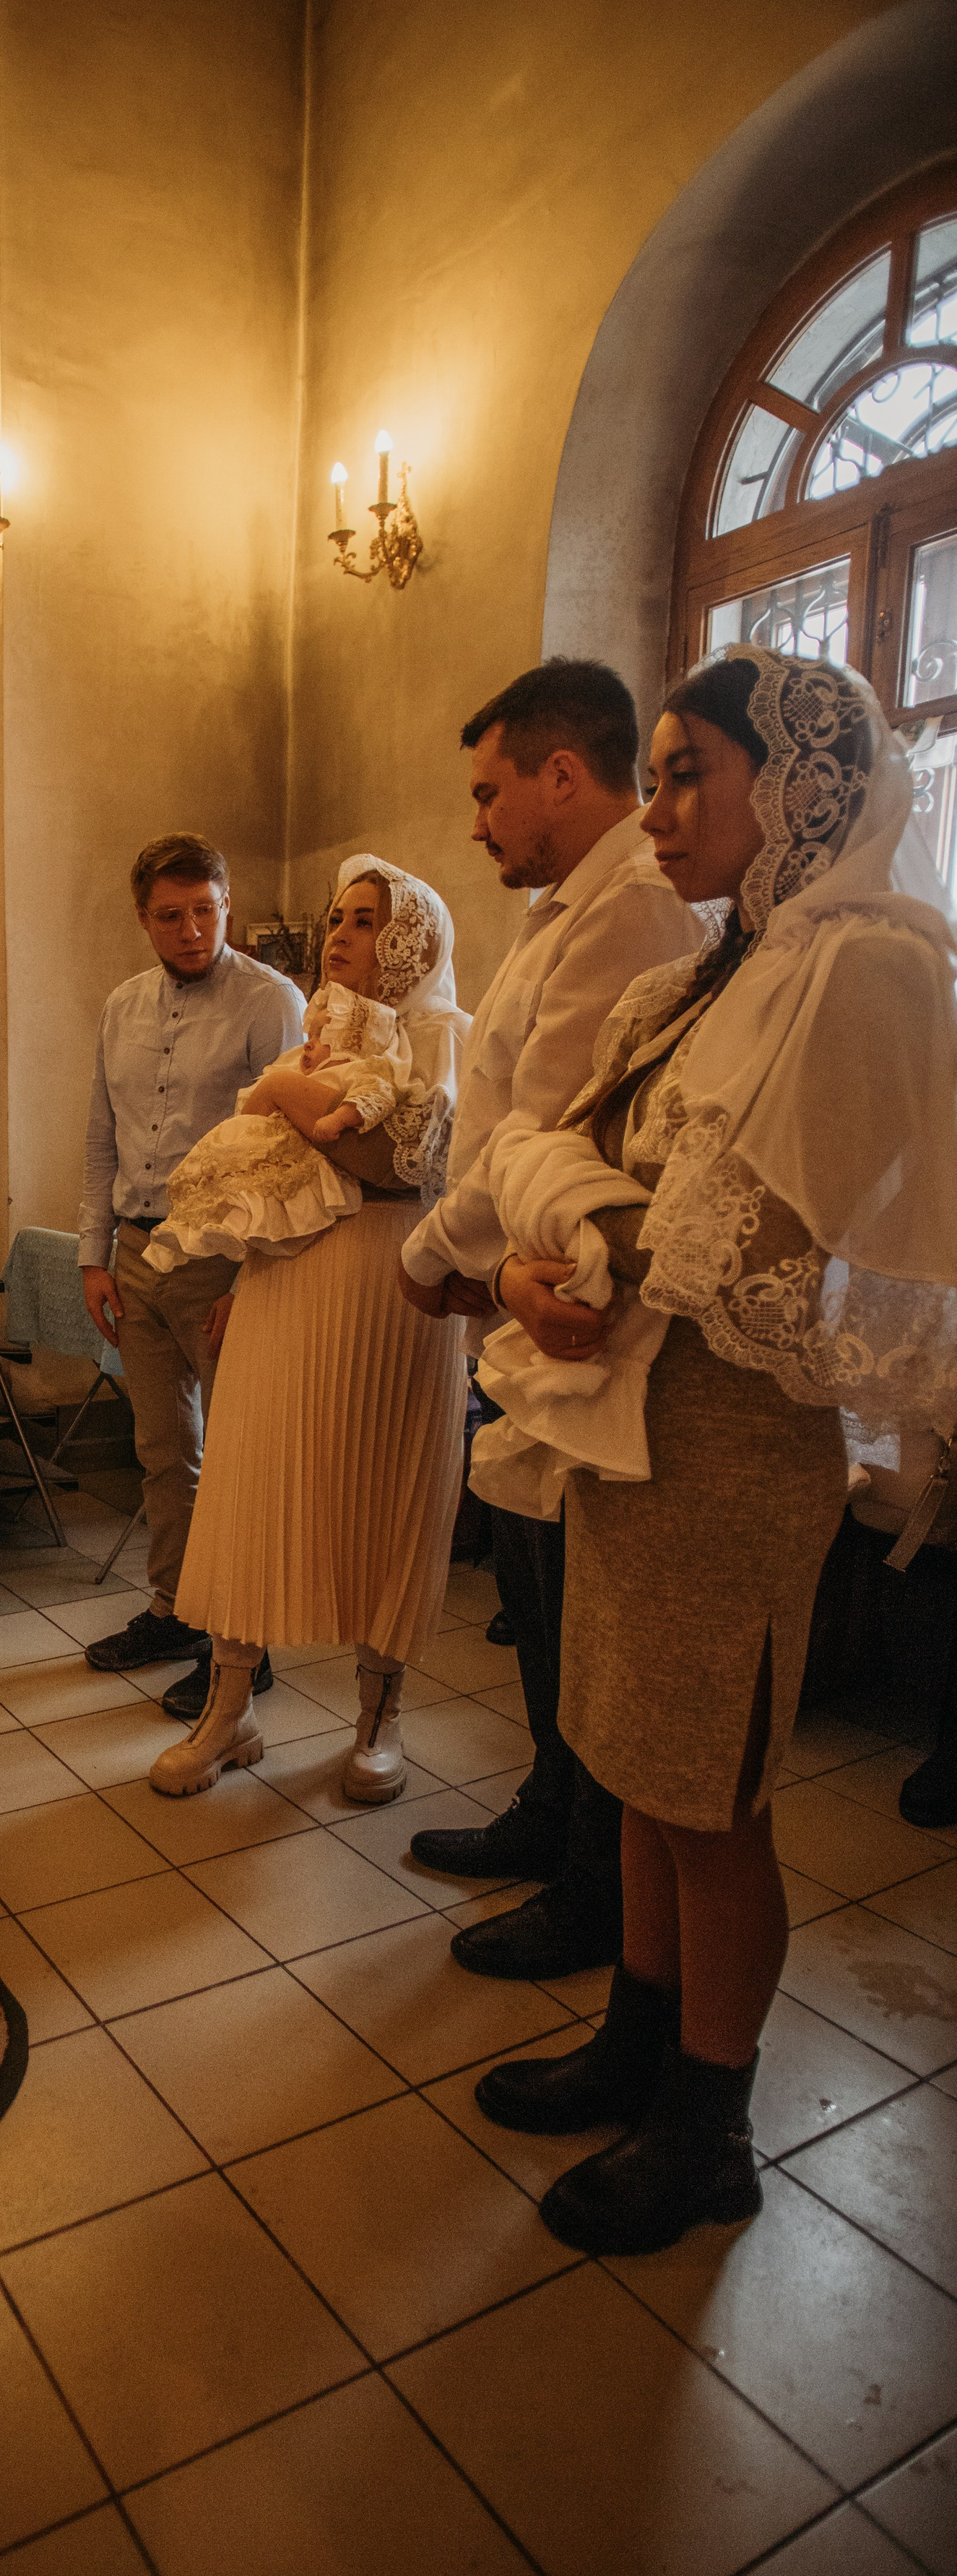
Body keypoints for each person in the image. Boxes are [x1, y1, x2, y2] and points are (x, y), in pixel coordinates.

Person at [473, 646, 957, 2254]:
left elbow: (731, 1244)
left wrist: (572, 1237)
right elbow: (563, 1150)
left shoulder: (866, 967)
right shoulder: (703, 975)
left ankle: (709, 2124)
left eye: (690, 775)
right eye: (659, 771)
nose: (662, 809)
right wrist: (549, 1251)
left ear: (797, 788)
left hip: (738, 1447)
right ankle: (634, 2034)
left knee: (712, 1798)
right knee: (623, 1758)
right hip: (630, 1418)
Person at [397, 660, 702, 1981]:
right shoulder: (573, 903)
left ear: (561, 777)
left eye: (488, 792)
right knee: (536, 1593)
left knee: (579, 1623)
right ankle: (549, 1815)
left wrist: (429, 1258)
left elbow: (548, 1137)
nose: (477, 823)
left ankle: (591, 1890)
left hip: (579, 1311)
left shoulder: (631, 911)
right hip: (523, 1299)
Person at [148, 857, 470, 1802]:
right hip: (286, 1287)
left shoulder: (447, 1039)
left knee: (385, 1497)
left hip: (394, 1297)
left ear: (413, 940)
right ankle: (230, 1709)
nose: (340, 934)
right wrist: (296, 1100)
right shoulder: (317, 1033)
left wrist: (283, 1095)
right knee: (249, 1486)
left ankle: (379, 1719)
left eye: (366, 921)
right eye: (338, 917)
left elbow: (391, 1163)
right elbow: (278, 1166)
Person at [79, 833, 304, 1722]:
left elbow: (284, 1158)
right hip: (137, 1254)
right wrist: (93, 1256)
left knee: (240, 1458)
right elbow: (100, 1134)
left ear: (226, 905)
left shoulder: (271, 1001)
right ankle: (175, 1611)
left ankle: (248, 1641)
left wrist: (254, 1279)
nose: (191, 930)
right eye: (170, 916)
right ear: (144, 919)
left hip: (224, 1259)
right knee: (163, 1452)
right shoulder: (122, 1006)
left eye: (205, 910)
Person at [143, 938, 415, 1271]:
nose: (307, 1046)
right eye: (309, 1038)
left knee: (266, 1201)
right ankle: (190, 1229)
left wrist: (340, 1118)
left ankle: (221, 1228)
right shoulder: (297, 1072)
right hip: (273, 1144)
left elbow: (377, 1094)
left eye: (319, 1040)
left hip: (303, 1154)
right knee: (223, 1184)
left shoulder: (356, 1068)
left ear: (347, 1042)